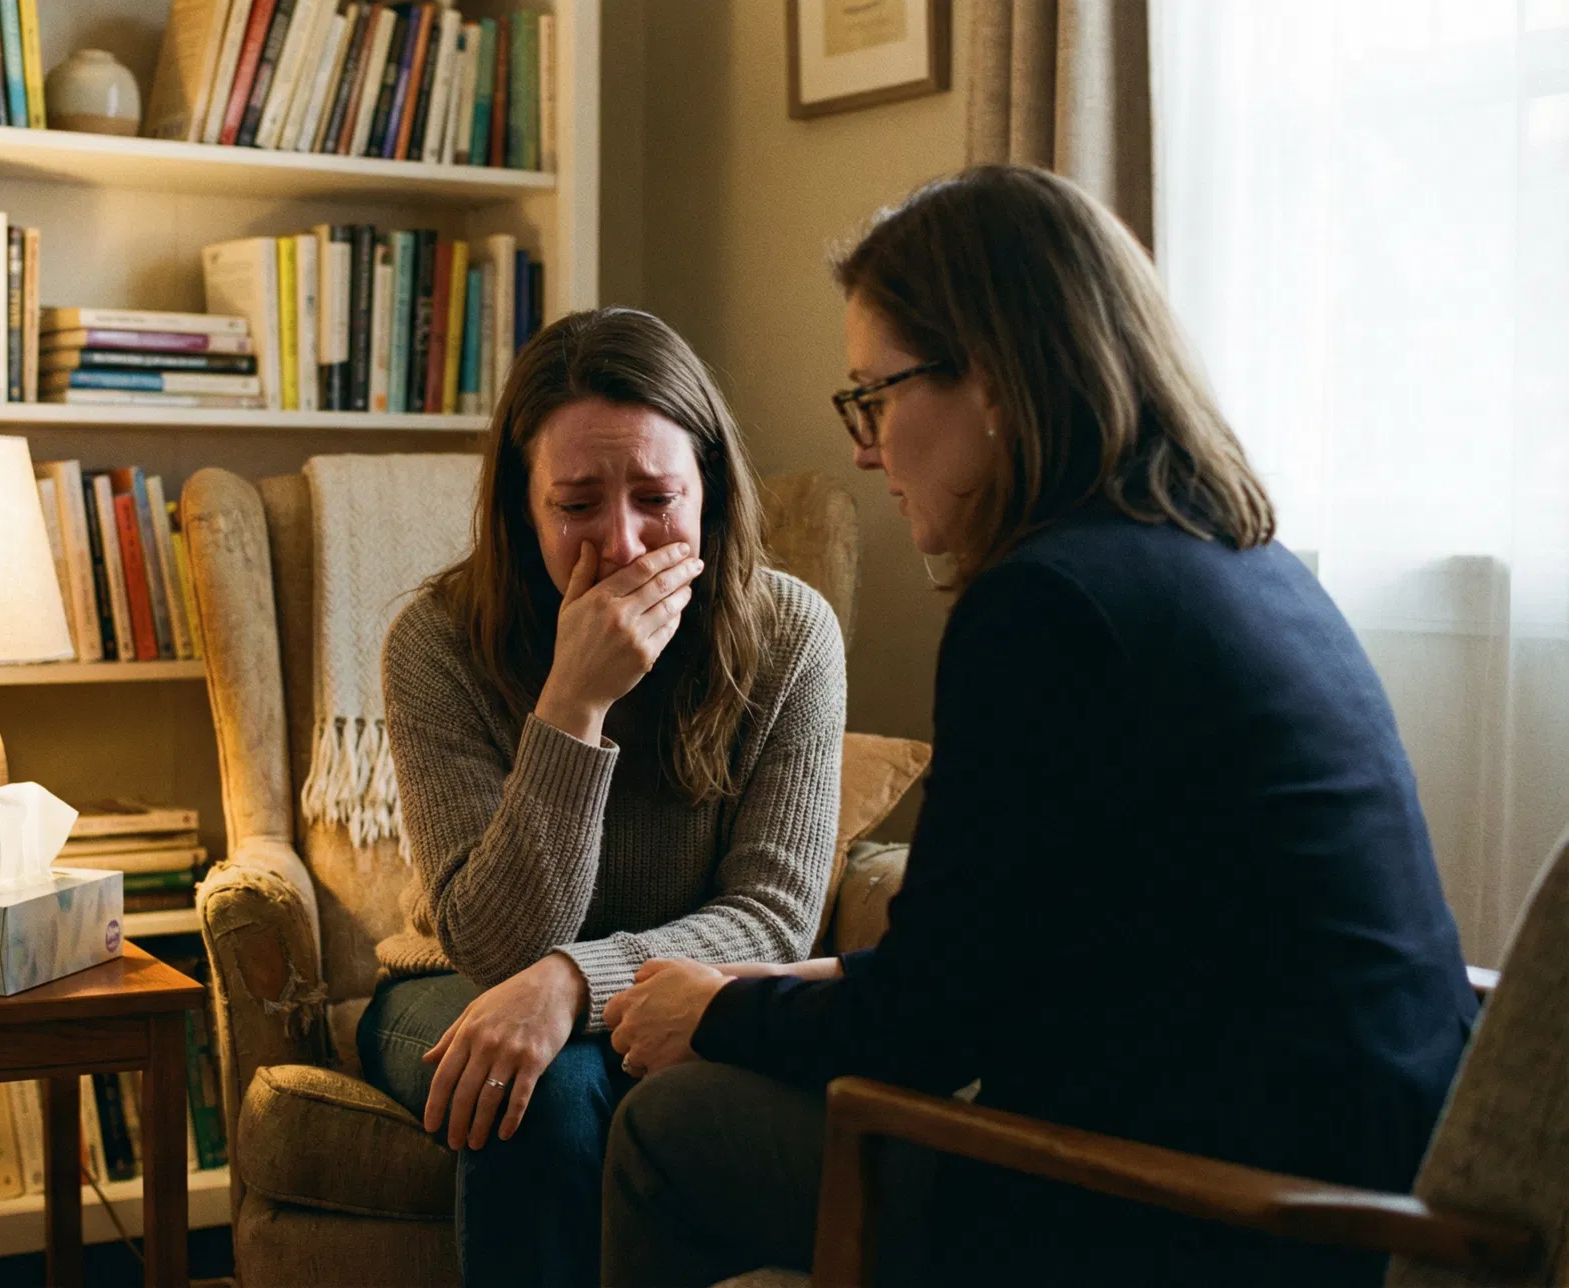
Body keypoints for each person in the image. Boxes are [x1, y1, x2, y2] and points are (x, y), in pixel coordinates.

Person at [599, 165, 1479, 1288]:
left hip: (1206, 1218)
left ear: (995, 380)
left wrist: (720, 1020)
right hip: (1374, 1194)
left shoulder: (1046, 606)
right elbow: (1012, 952)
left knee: (670, 1127)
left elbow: (927, 1032)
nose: (863, 447)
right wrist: (762, 991)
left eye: (875, 395)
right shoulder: (1240, 563)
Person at [356, 306, 848, 1287]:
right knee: (536, 1087)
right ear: (524, 510)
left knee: (589, 1073)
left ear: (709, 488)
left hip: (682, 993)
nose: (621, 544)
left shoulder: (792, 635)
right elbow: (495, 945)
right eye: (577, 505)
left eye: (657, 497)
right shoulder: (437, 643)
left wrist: (576, 981)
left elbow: (774, 919)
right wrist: (574, 704)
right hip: (454, 983)